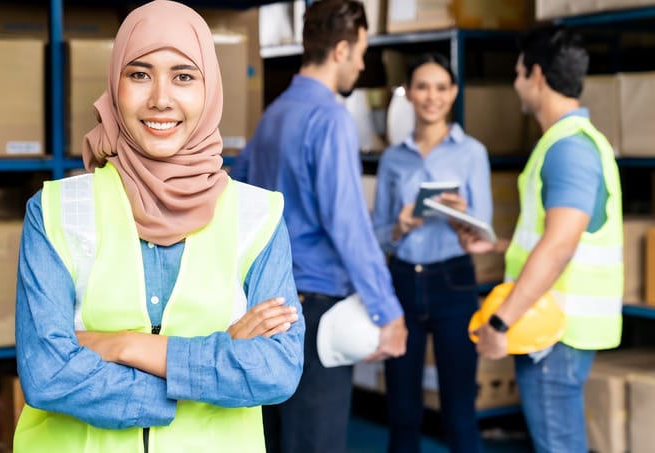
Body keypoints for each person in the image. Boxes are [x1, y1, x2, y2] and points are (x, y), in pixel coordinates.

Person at [13, 1, 304, 452]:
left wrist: (126, 346)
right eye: (139, 74)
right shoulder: (55, 211)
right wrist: (211, 364)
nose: (161, 98)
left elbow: (276, 370)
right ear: (115, 85)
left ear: (210, 88)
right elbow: (47, 375)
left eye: (184, 76)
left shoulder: (257, 216)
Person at [230, 0, 407, 451]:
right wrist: (388, 311)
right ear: (342, 50)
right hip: (314, 313)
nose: (363, 64)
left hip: (263, 307)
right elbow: (347, 225)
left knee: (272, 438)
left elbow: (236, 201)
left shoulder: (271, 118)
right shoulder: (330, 118)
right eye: (363, 52)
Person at [458, 25, 623, 453]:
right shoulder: (572, 142)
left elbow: (561, 244)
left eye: (516, 73)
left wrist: (500, 322)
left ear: (535, 75)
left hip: (556, 332)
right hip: (556, 328)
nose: (514, 84)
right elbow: (560, 234)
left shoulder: (569, 148)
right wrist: (496, 246)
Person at [372, 52, 491, 453]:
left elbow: (484, 230)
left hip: (453, 279)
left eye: (441, 88)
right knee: (403, 413)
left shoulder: (472, 152)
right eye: (422, 87)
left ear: (454, 93)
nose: (432, 97)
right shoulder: (393, 158)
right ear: (409, 94)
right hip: (402, 280)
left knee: (459, 412)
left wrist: (464, 218)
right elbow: (377, 235)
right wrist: (400, 226)